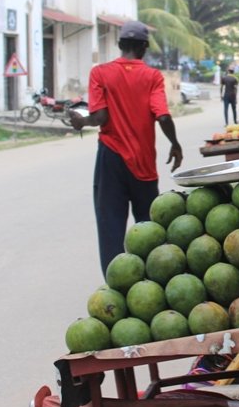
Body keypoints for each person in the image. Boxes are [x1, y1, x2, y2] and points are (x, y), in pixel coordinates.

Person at [69, 20, 183, 277]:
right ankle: (152, 280)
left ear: (120, 45)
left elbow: (100, 117)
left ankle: (116, 286)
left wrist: (81, 121)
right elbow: (163, 117)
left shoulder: (100, 73)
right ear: (144, 47)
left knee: (110, 225)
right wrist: (175, 145)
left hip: (111, 159)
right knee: (149, 227)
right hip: (143, 164)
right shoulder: (153, 77)